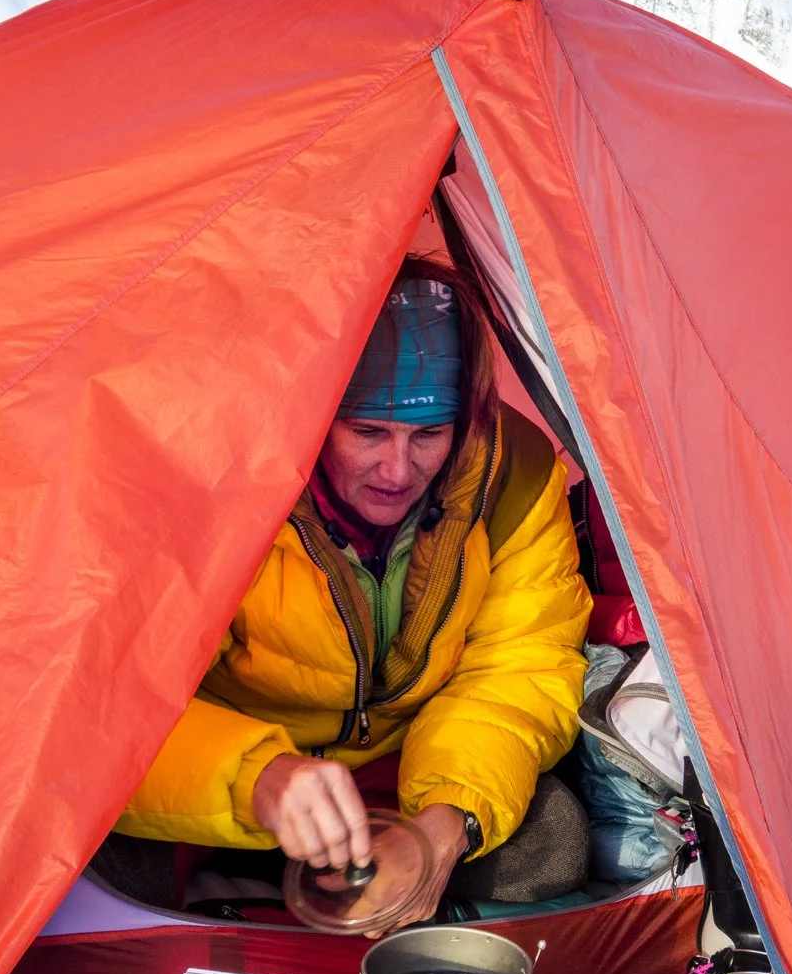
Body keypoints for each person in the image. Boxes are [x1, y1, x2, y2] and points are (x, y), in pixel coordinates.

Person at [104, 253, 593, 925]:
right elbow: (113, 705)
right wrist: (259, 778)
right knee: (92, 844)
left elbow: (519, 669)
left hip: (397, 769)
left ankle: (364, 888)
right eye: (367, 431)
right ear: (312, 413)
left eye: (429, 435)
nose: (397, 468)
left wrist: (447, 822)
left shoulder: (514, 479)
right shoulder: (215, 478)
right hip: (242, 776)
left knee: (550, 840)